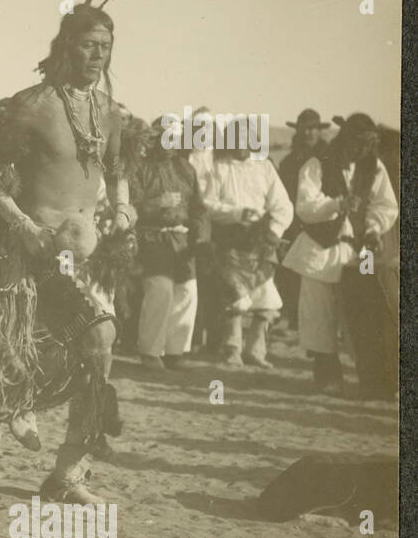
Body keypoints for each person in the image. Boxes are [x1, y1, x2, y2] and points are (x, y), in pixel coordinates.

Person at [0, 0, 135, 505]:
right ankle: (0, 405)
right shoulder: (30, 106)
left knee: (94, 355)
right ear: (65, 47)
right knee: (98, 337)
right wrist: (25, 229)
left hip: (87, 257)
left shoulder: (110, 112)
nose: (97, 56)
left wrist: (125, 207)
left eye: (105, 48)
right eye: (88, 45)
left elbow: (115, 169)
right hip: (35, 253)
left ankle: (67, 469)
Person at [283, 113, 397, 398]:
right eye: (357, 144)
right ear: (346, 139)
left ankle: (373, 379)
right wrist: (336, 204)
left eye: (367, 145)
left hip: (357, 251)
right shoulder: (319, 161)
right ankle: (327, 373)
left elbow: (385, 205)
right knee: (319, 313)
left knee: (365, 311)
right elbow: (305, 204)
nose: (361, 151)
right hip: (320, 250)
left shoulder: (374, 167)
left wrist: (373, 228)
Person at [202, 124, 293, 369]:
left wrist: (274, 232)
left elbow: (283, 205)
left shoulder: (264, 167)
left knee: (267, 297)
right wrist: (237, 213)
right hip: (230, 240)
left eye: (246, 138)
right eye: (236, 138)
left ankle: (256, 350)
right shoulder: (217, 167)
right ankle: (232, 349)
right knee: (235, 295)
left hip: (261, 241)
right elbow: (208, 205)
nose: (241, 143)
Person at [131, 115, 209, 369]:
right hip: (151, 237)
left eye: (174, 137)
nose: (170, 142)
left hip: (181, 239)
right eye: (166, 136)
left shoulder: (186, 168)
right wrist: (155, 204)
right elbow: (130, 205)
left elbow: (199, 209)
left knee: (187, 292)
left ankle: (176, 353)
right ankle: (150, 352)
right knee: (160, 290)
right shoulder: (140, 167)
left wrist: (201, 236)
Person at [275, 108, 331, 327]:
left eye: (313, 128)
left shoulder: (329, 158)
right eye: (304, 129)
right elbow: (283, 196)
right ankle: (295, 321)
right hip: (294, 224)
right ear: (298, 131)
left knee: (320, 276)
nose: (308, 133)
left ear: (319, 131)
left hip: (324, 223)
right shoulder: (288, 162)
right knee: (290, 273)